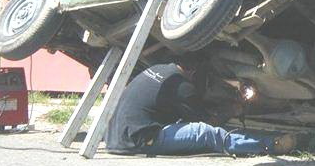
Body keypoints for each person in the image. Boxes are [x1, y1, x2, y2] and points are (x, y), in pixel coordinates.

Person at [105, 63, 297, 156]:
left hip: (116, 137)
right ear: (194, 73)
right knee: (205, 133)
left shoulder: (160, 68)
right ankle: (271, 144)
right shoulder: (182, 86)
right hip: (141, 140)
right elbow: (206, 122)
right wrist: (231, 111)